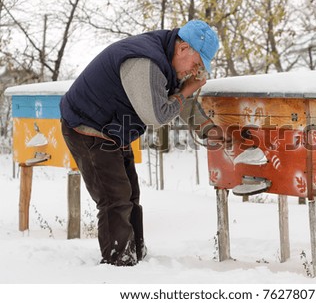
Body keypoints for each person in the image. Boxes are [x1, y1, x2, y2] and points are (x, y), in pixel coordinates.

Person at [60, 20, 220, 266]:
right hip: (87, 127)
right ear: (183, 48)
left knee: (131, 193)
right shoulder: (145, 62)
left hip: (113, 128)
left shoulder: (168, 60)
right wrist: (187, 90)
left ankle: (136, 253)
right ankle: (119, 263)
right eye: (196, 64)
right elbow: (157, 116)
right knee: (115, 198)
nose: (194, 71)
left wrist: (208, 129)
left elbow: (178, 100)